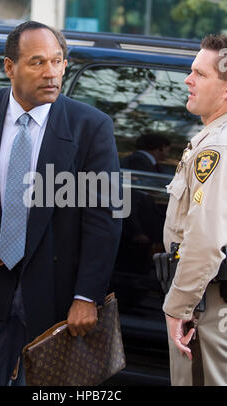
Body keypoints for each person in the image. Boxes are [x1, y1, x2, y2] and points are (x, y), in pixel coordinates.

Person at [0, 21, 122, 386]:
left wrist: (86, 296)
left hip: (57, 298)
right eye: (37, 62)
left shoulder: (91, 126)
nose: (51, 74)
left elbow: (104, 220)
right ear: (9, 67)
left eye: (58, 62)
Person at [163, 34, 227, 386]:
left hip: (207, 308)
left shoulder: (217, 145)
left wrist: (178, 309)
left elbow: (204, 241)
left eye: (200, 74)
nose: (188, 80)